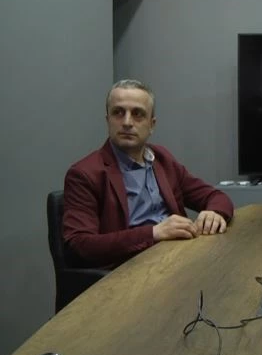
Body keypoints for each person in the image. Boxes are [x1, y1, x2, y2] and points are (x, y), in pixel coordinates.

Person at [63, 79, 234, 269]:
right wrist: (154, 233)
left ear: (152, 125)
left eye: (137, 114)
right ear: (107, 120)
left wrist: (214, 213)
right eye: (118, 112)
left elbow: (216, 197)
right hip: (129, 270)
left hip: (178, 259)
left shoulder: (162, 159)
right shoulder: (84, 173)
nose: (127, 122)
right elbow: (80, 245)